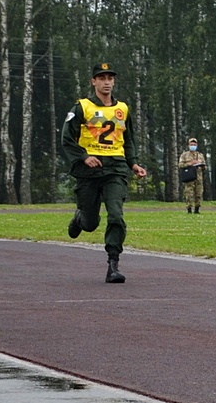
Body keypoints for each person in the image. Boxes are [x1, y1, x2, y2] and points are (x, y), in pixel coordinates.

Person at [61, 62, 147, 283]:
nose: (106, 82)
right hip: (90, 170)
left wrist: (133, 164)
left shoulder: (123, 109)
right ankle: (80, 219)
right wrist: (83, 157)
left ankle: (113, 264)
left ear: (114, 81)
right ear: (94, 81)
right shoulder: (82, 107)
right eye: (102, 78)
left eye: (110, 78)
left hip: (116, 169)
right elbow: (67, 139)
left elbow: (128, 141)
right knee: (90, 223)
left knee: (116, 215)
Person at [179, 137, 207, 213]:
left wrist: (202, 166)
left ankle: (197, 209)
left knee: (199, 193)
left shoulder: (200, 155)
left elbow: (205, 166)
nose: (193, 146)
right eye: (191, 144)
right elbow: (180, 165)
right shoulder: (184, 155)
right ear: (188, 145)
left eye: (194, 144)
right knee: (189, 194)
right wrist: (190, 164)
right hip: (189, 177)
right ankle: (189, 209)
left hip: (198, 177)